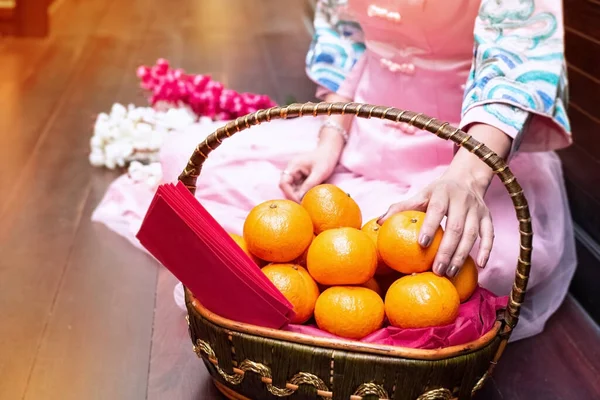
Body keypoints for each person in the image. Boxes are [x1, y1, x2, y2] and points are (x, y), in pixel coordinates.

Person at [92, 0, 576, 342]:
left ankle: (344, 271)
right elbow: (345, 40)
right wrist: (330, 137)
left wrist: (469, 174)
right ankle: (337, 267)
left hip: (465, 149)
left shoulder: (471, 162)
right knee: (190, 155)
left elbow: (519, 55)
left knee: (492, 257)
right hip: (363, 126)